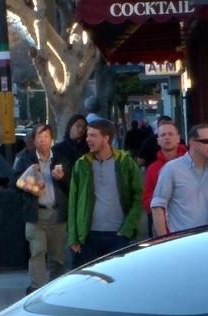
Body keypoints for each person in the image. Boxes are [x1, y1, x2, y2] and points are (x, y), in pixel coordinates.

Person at [67, 118, 143, 264]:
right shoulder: (81, 164)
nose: (88, 139)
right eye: (87, 135)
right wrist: (73, 237)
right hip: (88, 236)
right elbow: (73, 203)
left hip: (118, 235)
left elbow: (138, 197)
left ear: (106, 138)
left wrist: (127, 230)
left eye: (93, 135)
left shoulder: (125, 162)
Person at [13, 123, 71, 293]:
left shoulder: (61, 159)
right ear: (34, 140)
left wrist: (62, 178)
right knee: (37, 251)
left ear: (51, 139)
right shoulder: (25, 160)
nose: (43, 140)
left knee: (58, 255)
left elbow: (72, 187)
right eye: (39, 137)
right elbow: (15, 185)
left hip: (57, 213)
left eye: (46, 137)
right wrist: (30, 184)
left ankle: (56, 288)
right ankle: (38, 288)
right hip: (35, 214)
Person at [150, 123, 208, 236]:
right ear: (192, 142)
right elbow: (157, 207)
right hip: (182, 241)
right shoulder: (172, 169)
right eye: (206, 141)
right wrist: (165, 240)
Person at [142, 120, 186, 235]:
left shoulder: (190, 163)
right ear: (158, 141)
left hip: (190, 227)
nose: (167, 137)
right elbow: (146, 202)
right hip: (165, 229)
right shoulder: (152, 169)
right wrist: (164, 197)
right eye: (163, 135)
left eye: (170, 134)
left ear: (178, 138)